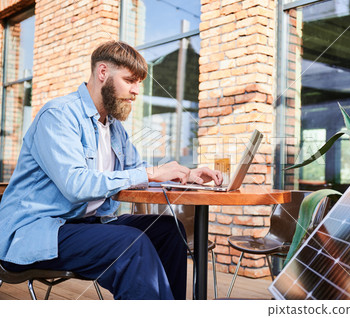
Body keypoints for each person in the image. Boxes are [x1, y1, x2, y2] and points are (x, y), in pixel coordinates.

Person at [0, 40, 222, 300]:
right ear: (102, 72)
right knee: (131, 244)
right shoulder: (59, 115)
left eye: (138, 82)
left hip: (85, 224)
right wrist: (151, 173)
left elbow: (136, 171)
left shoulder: (114, 126)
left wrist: (184, 175)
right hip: (36, 233)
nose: (137, 90)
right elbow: (76, 185)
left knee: (169, 230)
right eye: (130, 80)